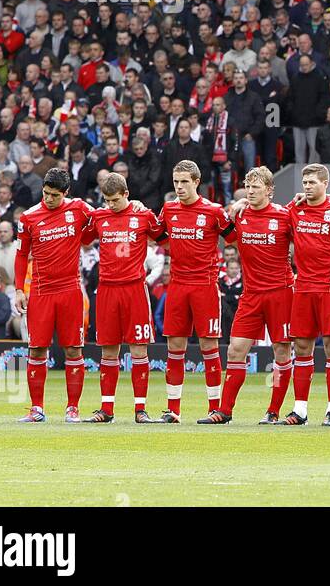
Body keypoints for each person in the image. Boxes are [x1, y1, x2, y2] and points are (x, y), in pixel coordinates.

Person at [204, 166, 295, 424]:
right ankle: (225, 411)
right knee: (235, 350)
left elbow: (306, 241)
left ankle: (274, 411)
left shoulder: (285, 216)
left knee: (281, 352)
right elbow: (221, 228)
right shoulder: (240, 214)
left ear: (269, 190)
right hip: (251, 294)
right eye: (249, 186)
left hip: (280, 292)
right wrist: (237, 204)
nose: (251, 191)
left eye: (256, 187)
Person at [274, 164, 330, 426]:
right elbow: (270, 216)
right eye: (304, 182)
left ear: (325, 184)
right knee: (302, 346)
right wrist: (242, 202)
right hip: (304, 286)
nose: (307, 187)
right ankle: (300, 410)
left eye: (312, 182)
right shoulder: (294, 209)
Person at [80, 173, 165, 423]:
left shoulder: (144, 216)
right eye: (106, 200)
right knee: (108, 350)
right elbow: (84, 240)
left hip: (134, 290)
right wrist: (90, 214)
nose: (110, 205)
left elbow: (165, 240)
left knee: (139, 350)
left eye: (115, 200)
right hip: (107, 290)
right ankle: (107, 409)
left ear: (126, 194)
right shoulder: (100, 216)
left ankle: (141, 410)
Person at [155, 160, 233, 423]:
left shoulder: (214, 211)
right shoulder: (168, 209)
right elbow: (160, 237)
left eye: (184, 181)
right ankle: (173, 409)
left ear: (197, 182)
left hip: (204, 286)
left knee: (208, 345)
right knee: (174, 347)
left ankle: (214, 408)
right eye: (176, 182)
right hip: (177, 286)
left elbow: (234, 238)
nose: (179, 187)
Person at [13, 168, 91, 422]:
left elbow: (104, 218)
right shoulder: (28, 217)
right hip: (40, 291)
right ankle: (37, 408)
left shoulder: (79, 209)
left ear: (65, 193)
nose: (48, 199)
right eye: (45, 194)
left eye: (54, 196)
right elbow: (22, 254)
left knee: (73, 350)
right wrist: (17, 289)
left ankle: (72, 408)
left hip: (70, 290)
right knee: (36, 350)